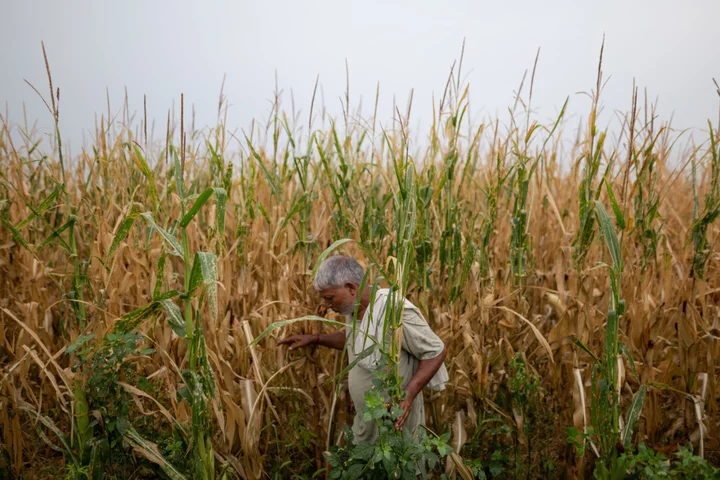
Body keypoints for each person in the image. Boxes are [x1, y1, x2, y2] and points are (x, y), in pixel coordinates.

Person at [278, 255, 448, 444]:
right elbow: (355, 339)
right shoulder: (354, 308)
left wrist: (409, 393)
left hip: (396, 428)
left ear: (351, 288)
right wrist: (315, 339)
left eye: (330, 298)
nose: (327, 305)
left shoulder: (394, 310)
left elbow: (435, 351)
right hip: (366, 426)